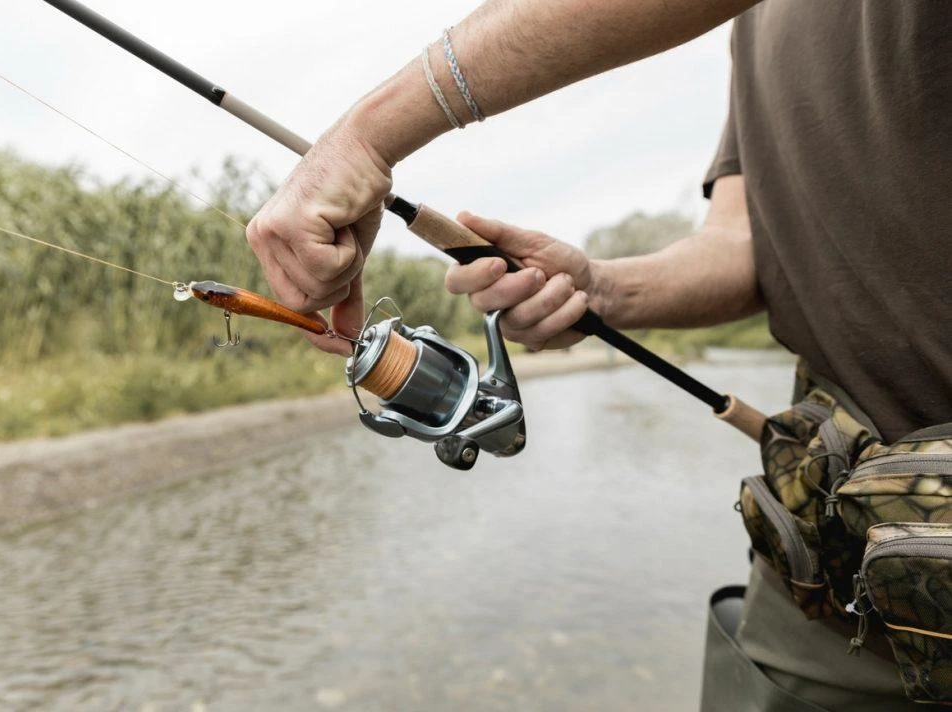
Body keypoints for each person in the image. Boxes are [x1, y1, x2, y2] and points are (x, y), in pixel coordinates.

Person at [245, 1, 951, 709]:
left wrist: (366, 137)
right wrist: (603, 291)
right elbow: (745, 248)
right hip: (831, 556)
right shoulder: (755, 26)